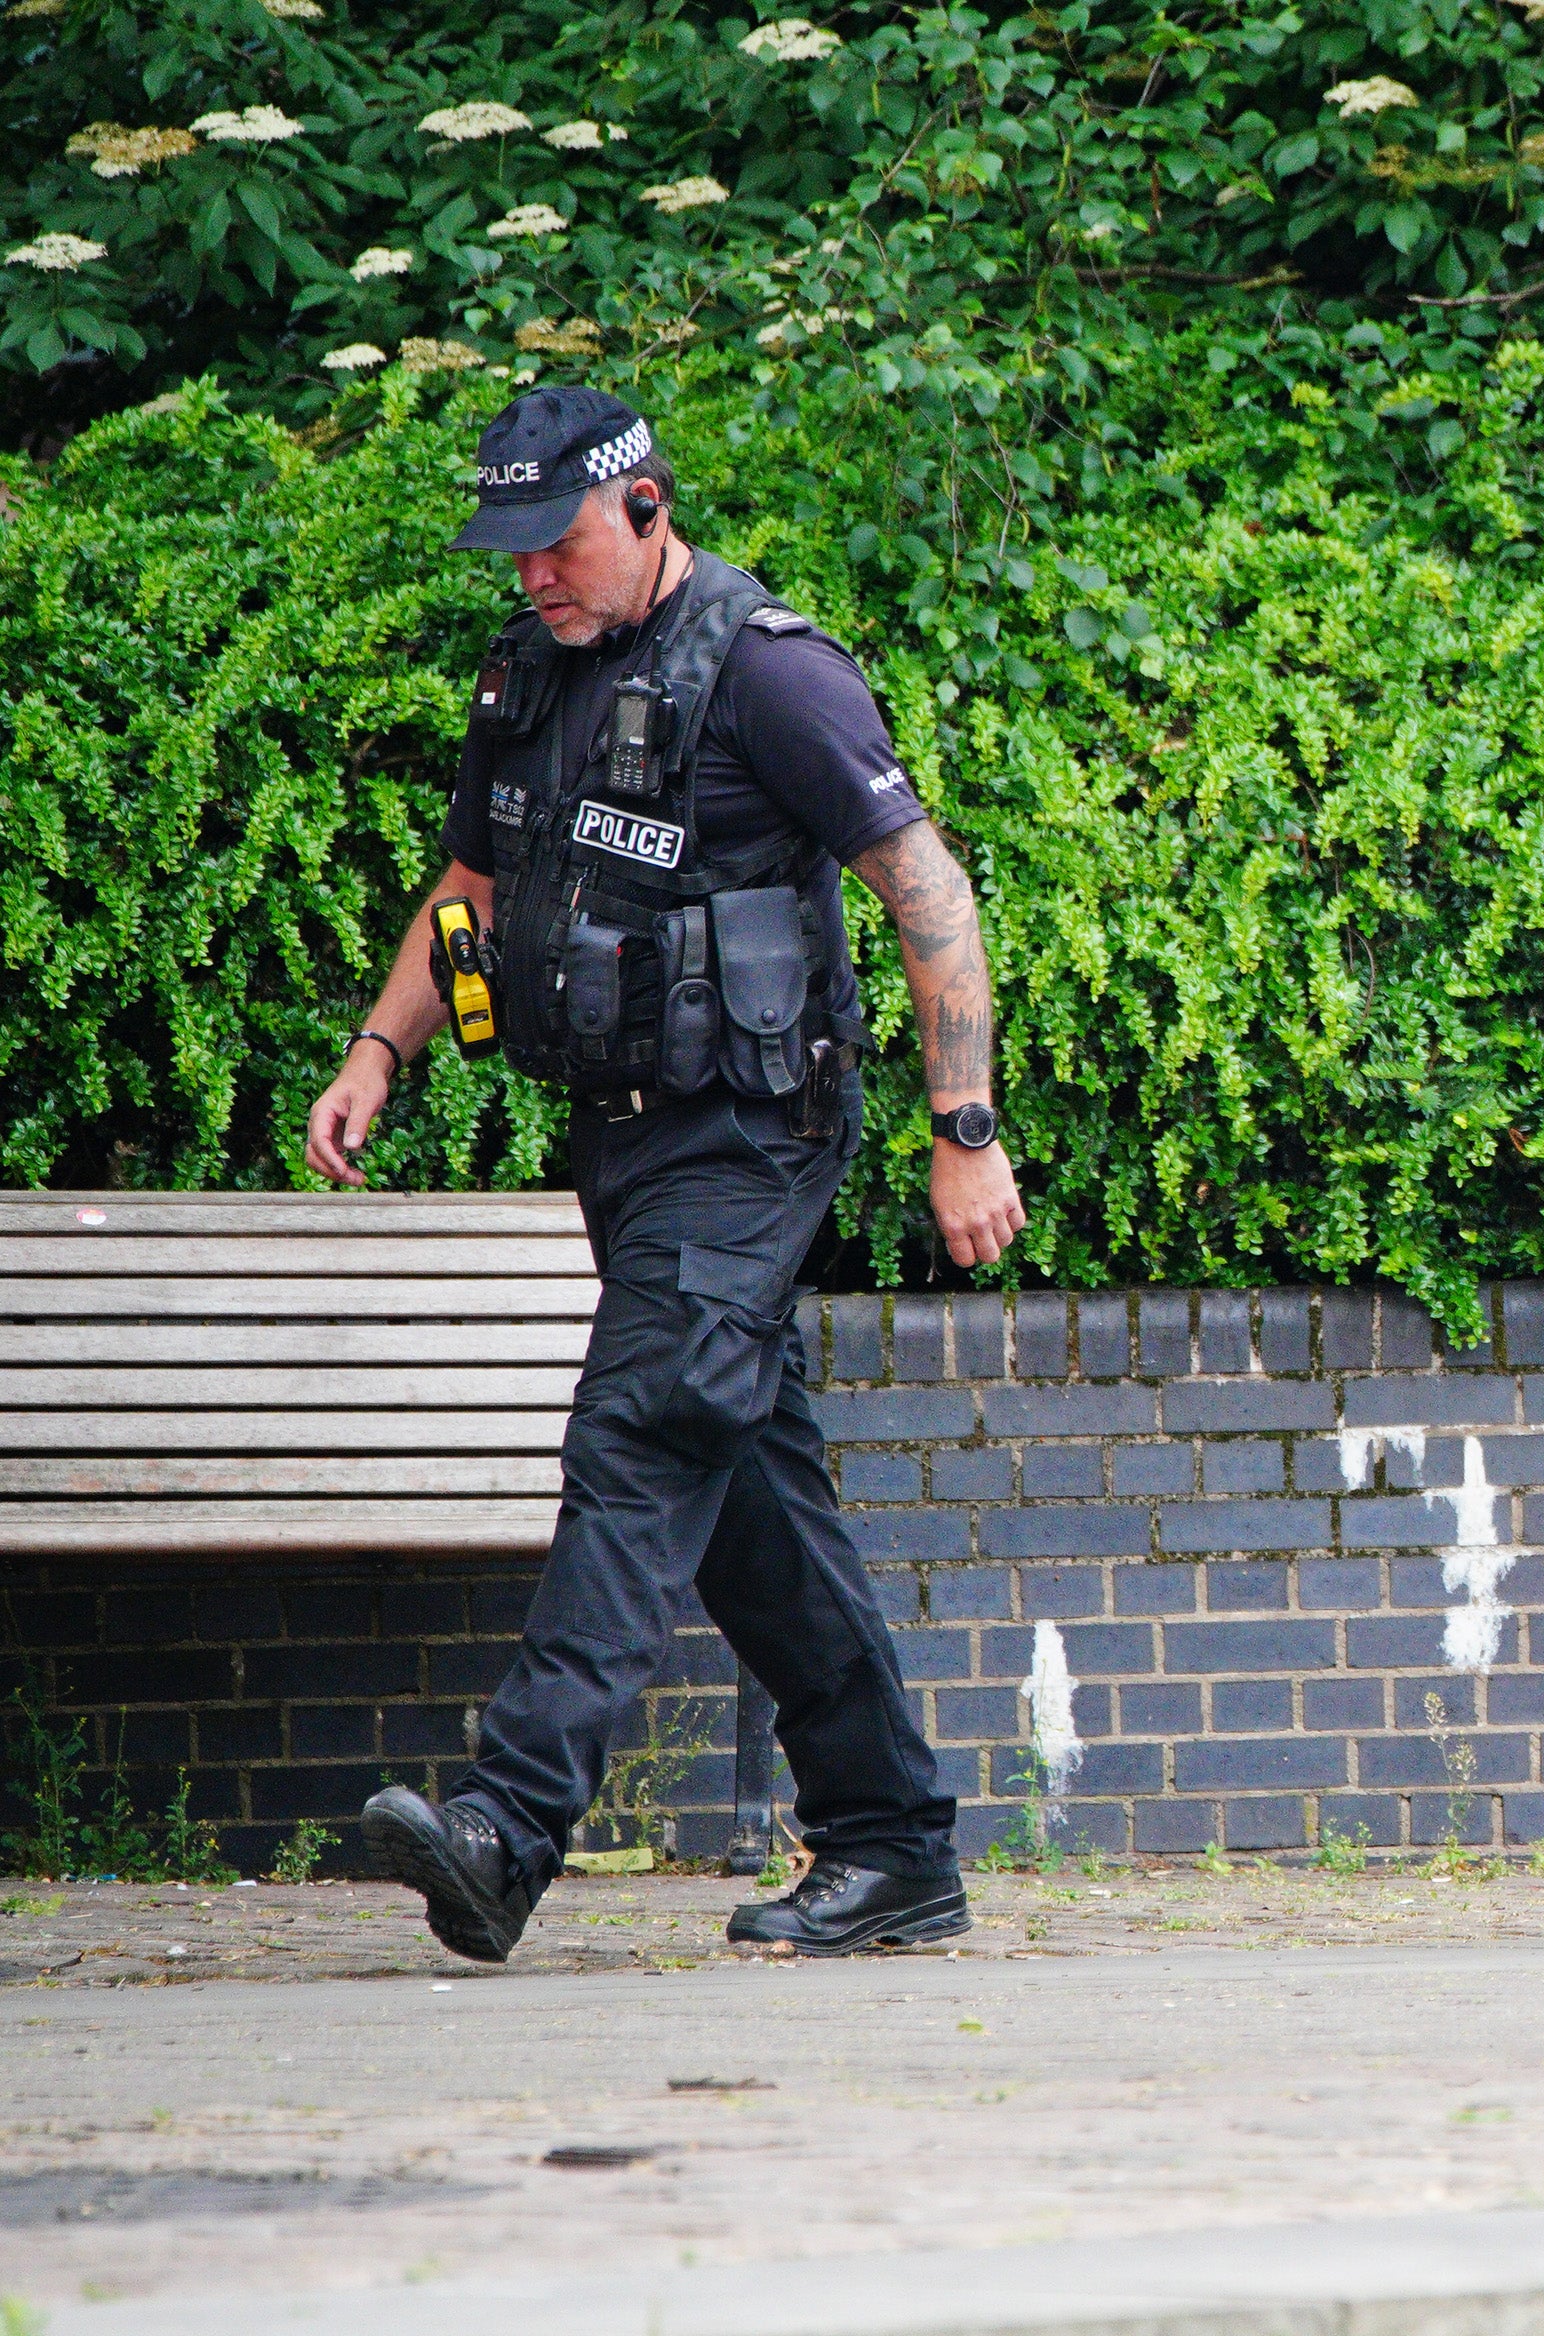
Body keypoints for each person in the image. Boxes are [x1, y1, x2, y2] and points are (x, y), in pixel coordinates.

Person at [304, 386, 1030, 1963]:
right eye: (510, 556)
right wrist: (378, 1051)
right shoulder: (530, 673)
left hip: (752, 1139)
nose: (532, 580)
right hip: (622, 1143)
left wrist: (961, 1127)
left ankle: (510, 1824)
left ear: (643, 511)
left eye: (554, 546)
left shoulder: (771, 675)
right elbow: (474, 879)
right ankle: (892, 1848)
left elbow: (927, 886)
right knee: (747, 1495)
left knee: (636, 1436)